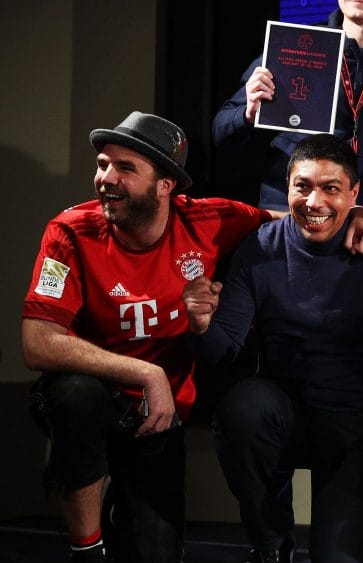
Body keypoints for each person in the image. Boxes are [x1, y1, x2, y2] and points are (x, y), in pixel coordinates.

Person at [20, 111, 274, 563]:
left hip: (157, 418)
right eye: (102, 164)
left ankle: (120, 505)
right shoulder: (70, 232)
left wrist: (355, 214)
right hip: (94, 400)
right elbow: (38, 341)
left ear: (166, 186)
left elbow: (291, 220)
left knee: (154, 551)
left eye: (125, 168)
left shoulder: (212, 220)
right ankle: (86, 549)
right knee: (76, 396)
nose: (105, 178)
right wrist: (146, 372)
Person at [182, 134, 363, 562]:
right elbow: (221, 353)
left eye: (331, 188)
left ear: (355, 194)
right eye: (303, 187)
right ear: (287, 185)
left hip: (354, 427)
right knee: (242, 407)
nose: (314, 201)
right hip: (284, 418)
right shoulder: (259, 249)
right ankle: (269, 543)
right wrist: (201, 326)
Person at [213, 0, 363, 218]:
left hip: (359, 228)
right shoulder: (293, 47)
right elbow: (221, 130)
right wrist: (248, 114)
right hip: (287, 217)